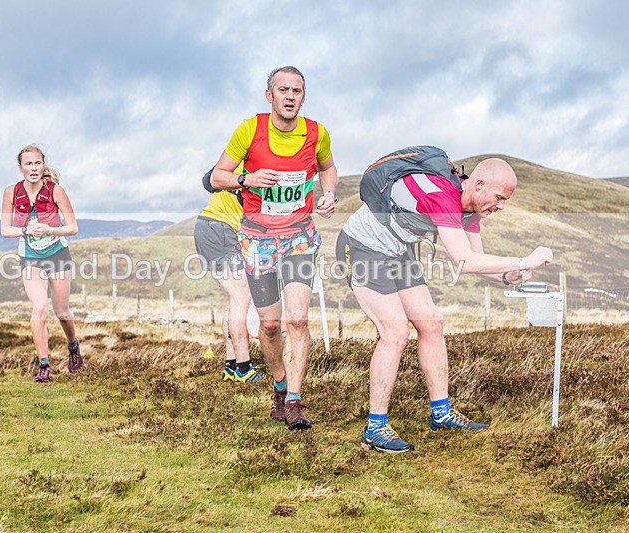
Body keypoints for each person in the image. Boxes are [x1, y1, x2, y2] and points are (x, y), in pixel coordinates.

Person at [337, 146, 553, 452]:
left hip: (397, 252)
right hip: (362, 248)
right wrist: (523, 261)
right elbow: (466, 261)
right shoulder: (440, 194)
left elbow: (475, 261)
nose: (501, 206)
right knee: (395, 332)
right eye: (500, 197)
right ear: (479, 185)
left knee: (432, 324)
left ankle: (441, 413)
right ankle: (374, 428)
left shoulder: (470, 211)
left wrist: (508, 276)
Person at [210, 66, 338, 430]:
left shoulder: (317, 133)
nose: (290, 96)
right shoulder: (249, 130)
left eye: (297, 90)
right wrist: (246, 178)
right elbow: (218, 175)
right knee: (268, 327)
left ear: (303, 95)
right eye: (283, 90)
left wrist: (328, 194)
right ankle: (280, 389)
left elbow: (327, 168)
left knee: (296, 319)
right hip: (259, 240)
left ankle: (295, 400)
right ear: (269, 95)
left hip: (299, 236)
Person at [1, 148, 82, 383]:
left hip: (57, 252)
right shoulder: (10, 192)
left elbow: (73, 227)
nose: (33, 168)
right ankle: (44, 366)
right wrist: (26, 230)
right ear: (20, 168)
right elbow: (5, 229)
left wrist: (50, 229)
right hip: (30, 255)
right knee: (39, 308)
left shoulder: (55, 190)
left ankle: (73, 346)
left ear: (42, 165)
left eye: (37, 163)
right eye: (28, 164)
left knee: (62, 311)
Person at [195, 168, 264, 383]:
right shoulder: (258, 166)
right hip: (222, 229)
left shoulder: (236, 161)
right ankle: (244, 368)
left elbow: (208, 181)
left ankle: (231, 365)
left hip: (207, 225)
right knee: (242, 297)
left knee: (234, 298)